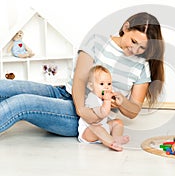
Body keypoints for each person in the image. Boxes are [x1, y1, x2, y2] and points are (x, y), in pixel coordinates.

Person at [0, 12, 165, 137]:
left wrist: (122, 102)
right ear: (126, 28)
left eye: (142, 47)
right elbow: (80, 78)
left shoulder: (142, 66)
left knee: (21, 104)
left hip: (86, 118)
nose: (135, 50)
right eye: (133, 42)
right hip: (66, 94)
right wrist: (81, 109)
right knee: (6, 87)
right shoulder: (96, 41)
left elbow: (134, 110)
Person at [78, 65, 129, 151]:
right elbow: (102, 114)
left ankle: (117, 138)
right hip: (88, 131)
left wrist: (114, 100)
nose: (106, 87)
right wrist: (107, 100)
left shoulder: (101, 98)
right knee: (98, 128)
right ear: (91, 86)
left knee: (118, 122)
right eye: (102, 84)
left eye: (109, 84)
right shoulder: (92, 98)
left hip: (102, 127)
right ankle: (112, 142)